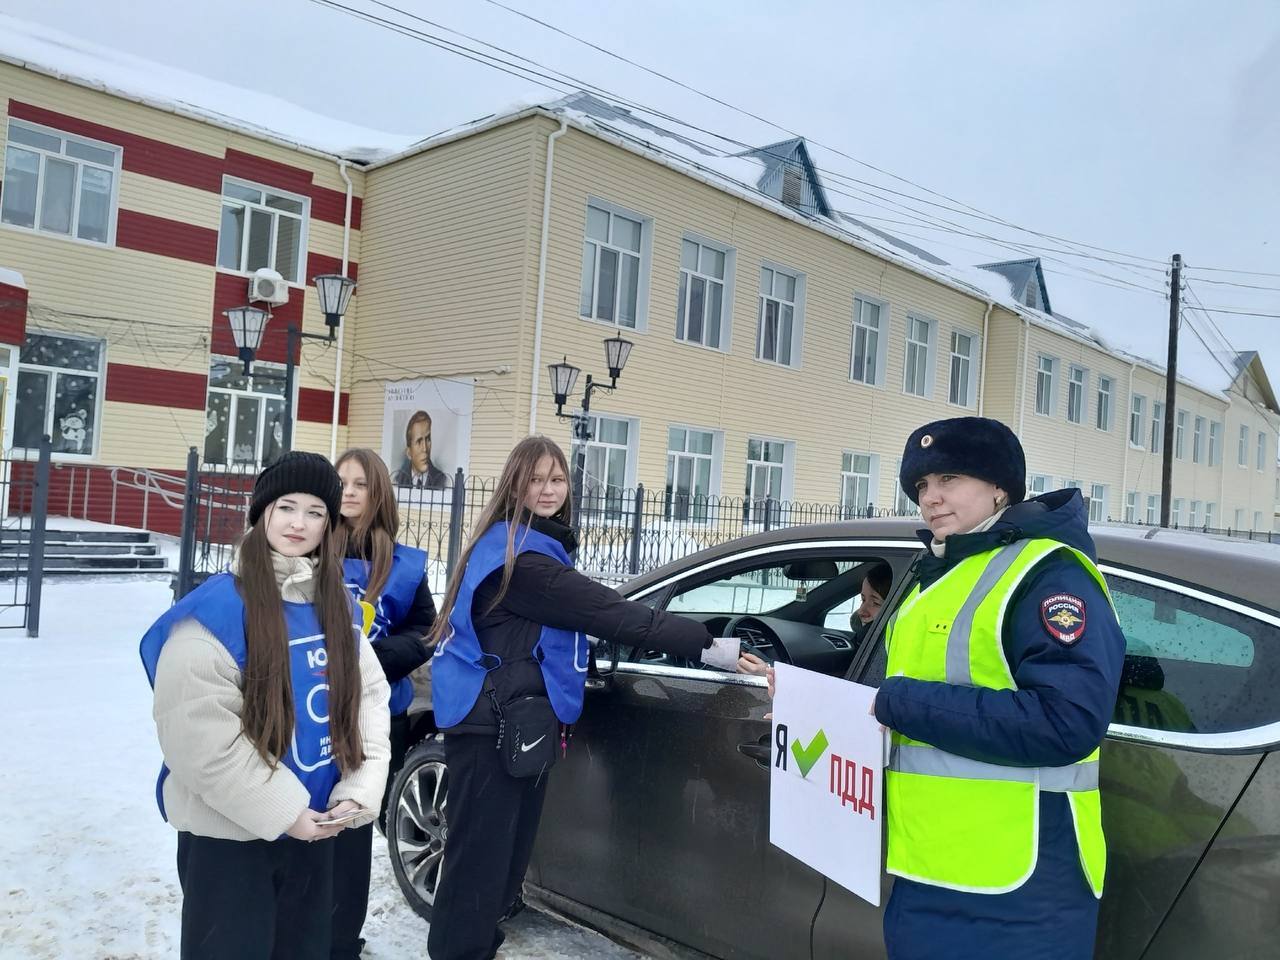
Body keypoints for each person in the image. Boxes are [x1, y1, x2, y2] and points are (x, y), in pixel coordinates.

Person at [426, 435, 715, 960]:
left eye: (557, 479)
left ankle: (477, 945)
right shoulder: (522, 562)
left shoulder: (520, 545)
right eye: (534, 479)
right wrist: (710, 645)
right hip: (493, 725)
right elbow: (610, 612)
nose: (548, 489)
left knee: (499, 864)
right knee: (480, 867)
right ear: (514, 486)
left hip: (511, 720)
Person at [872, 416, 1126, 960]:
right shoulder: (938, 573)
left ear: (999, 488)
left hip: (1022, 885)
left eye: (949, 478)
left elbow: (1066, 722)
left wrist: (897, 703)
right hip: (928, 869)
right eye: (921, 485)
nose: (931, 498)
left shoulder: (1049, 574)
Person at [139, 451, 391, 960]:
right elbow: (199, 737)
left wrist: (358, 790)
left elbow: (368, 699)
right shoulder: (214, 613)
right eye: (286, 507)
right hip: (230, 842)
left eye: (315, 512)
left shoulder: (336, 607)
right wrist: (285, 811)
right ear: (261, 512)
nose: (299, 523)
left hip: (315, 831)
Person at [329, 447, 436, 959]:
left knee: (351, 825)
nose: (348, 492)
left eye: (360, 484)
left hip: (375, 712)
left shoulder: (405, 564)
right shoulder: (310, 547)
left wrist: (374, 659)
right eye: (341, 483)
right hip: (311, 711)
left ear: (379, 494)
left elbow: (426, 629)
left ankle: (340, 940)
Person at [737, 561, 892, 676]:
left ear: (894, 607)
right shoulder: (872, 643)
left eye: (876, 603)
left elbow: (841, 697)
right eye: (863, 599)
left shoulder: (884, 653)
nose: (862, 611)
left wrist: (770, 675)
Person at [391, 410, 450, 489]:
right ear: (409, 453)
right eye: (419, 441)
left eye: (428, 439)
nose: (425, 449)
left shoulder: (442, 480)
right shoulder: (398, 481)